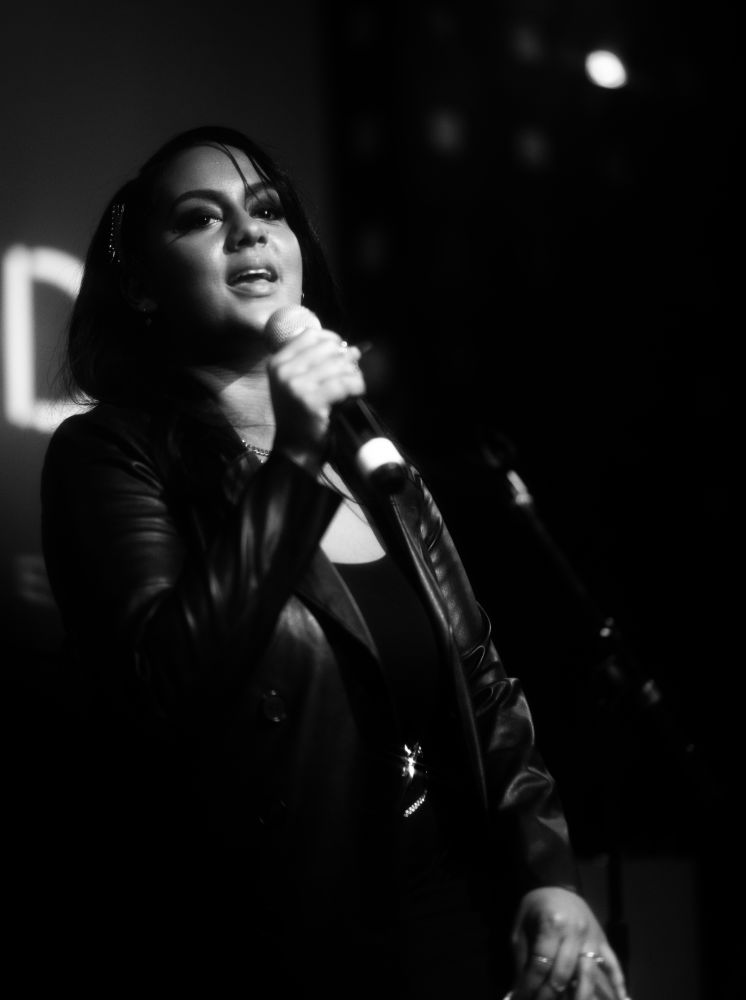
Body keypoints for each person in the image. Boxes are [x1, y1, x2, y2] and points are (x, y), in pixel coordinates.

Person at [41, 125, 629, 1000]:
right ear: (141, 286)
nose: (250, 231)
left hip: (455, 928)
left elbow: (481, 681)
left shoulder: (374, 462)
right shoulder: (111, 455)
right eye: (202, 218)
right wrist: (293, 460)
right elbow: (160, 686)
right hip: (279, 947)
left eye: (268, 210)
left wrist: (549, 873)